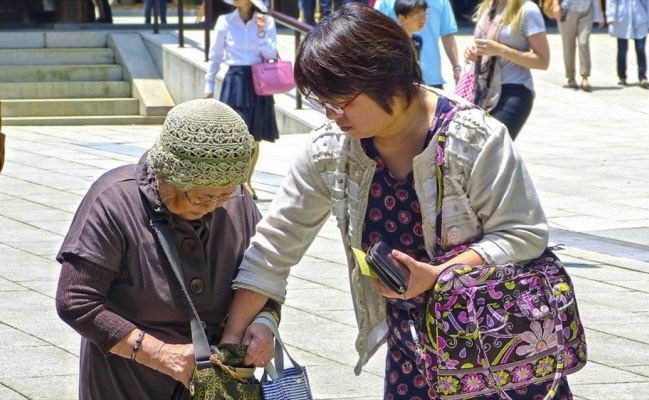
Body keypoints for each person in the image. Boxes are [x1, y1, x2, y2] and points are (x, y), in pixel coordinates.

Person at [219, 4, 572, 399]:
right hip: (414, 352)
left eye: (343, 100)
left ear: (387, 78)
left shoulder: (473, 139)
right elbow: (275, 247)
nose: (333, 114)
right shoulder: (331, 150)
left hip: (502, 348)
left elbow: (524, 233)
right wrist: (232, 344)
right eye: (323, 101)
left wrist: (438, 274)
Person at [55, 99, 278, 400]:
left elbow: (265, 273)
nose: (213, 207)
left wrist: (265, 322)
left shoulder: (237, 199)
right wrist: (158, 353)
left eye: (224, 196)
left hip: (219, 385)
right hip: (129, 381)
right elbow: (76, 300)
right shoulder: (113, 201)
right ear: (166, 175)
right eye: (202, 198)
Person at [203, 0, 280, 200]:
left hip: (257, 78)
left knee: (253, 135)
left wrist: (261, 32)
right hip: (235, 78)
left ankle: (246, 180)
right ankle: (233, 179)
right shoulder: (225, 21)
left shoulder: (266, 21)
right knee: (234, 133)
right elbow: (215, 55)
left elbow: (271, 54)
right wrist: (208, 85)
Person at [464, 0, 550, 140]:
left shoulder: (527, 10)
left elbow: (543, 61)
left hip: (514, 90)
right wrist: (472, 49)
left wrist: (501, 50)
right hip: (482, 91)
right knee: (478, 151)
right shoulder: (488, 7)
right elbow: (483, 42)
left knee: (491, 146)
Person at [375, 0, 462, 89]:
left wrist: (456, 67)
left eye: (425, 14)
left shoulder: (441, 2)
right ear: (401, 18)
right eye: (418, 15)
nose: (423, 19)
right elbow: (375, 34)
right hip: (398, 81)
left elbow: (447, 34)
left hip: (432, 77)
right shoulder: (385, 2)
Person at [552, 0, 604, 91]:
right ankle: (571, 77)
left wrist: (600, 13)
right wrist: (556, 5)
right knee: (568, 45)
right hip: (568, 10)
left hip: (587, 10)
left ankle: (585, 76)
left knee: (583, 42)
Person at [606, 0, 649, 88]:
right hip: (623, 18)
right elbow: (612, 1)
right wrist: (611, 16)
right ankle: (622, 76)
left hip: (640, 17)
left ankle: (642, 77)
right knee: (622, 50)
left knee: (640, 48)